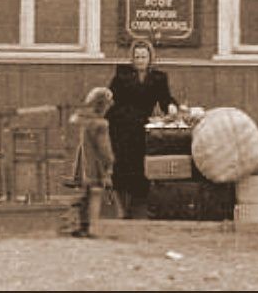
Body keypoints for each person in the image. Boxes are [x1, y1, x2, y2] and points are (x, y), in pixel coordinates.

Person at [106, 37, 176, 219]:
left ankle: (137, 207)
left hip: (141, 126)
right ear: (132, 58)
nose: (140, 61)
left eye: (143, 57)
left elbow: (165, 99)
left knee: (139, 165)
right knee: (121, 165)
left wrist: (171, 107)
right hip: (120, 125)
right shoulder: (122, 75)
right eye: (136, 57)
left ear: (150, 58)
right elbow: (110, 98)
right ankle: (120, 208)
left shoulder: (159, 78)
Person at [66, 86, 115, 238]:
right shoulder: (100, 124)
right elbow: (104, 149)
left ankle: (77, 226)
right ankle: (89, 228)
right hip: (93, 165)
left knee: (82, 196)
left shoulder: (77, 120)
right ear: (102, 104)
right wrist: (109, 163)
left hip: (77, 165)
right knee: (93, 196)